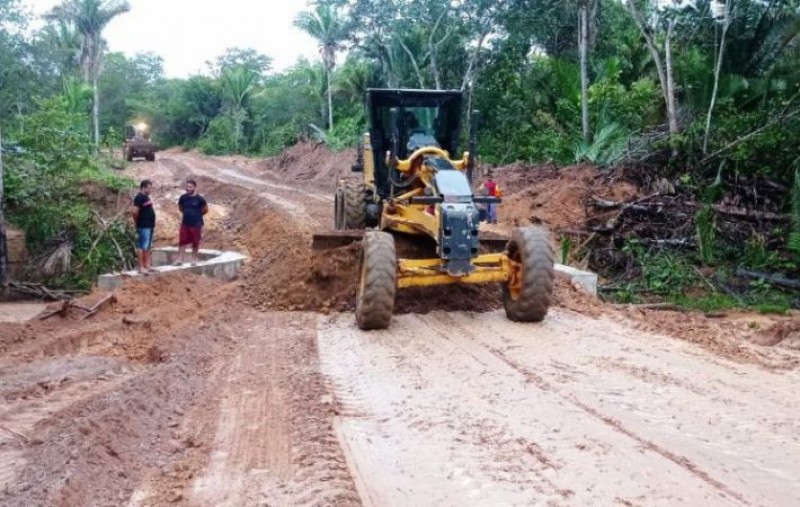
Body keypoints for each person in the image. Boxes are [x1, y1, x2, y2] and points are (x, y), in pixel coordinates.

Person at [176, 179, 208, 265]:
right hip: (185, 223)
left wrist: (196, 214)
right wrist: (187, 213)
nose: (188, 188)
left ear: (195, 187)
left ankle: (193, 259)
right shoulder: (183, 197)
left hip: (196, 224)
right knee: (182, 241)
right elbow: (180, 208)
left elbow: (205, 210)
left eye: (190, 187)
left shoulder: (200, 199)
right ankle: (180, 259)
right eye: (187, 186)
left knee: (195, 241)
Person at [131, 179, 157, 275]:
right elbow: (134, 212)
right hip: (143, 225)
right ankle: (141, 267)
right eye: (149, 188)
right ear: (143, 187)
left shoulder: (146, 197)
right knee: (142, 246)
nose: (150, 190)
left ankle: (147, 265)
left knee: (147, 246)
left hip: (149, 225)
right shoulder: (139, 198)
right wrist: (137, 222)